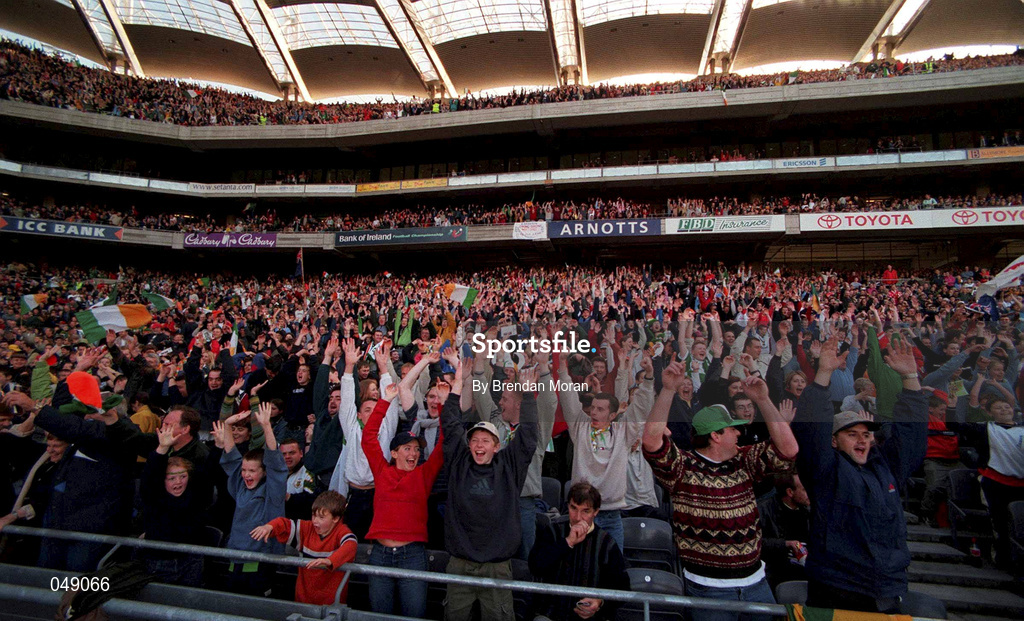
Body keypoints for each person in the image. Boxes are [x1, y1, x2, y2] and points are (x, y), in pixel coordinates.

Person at [642, 362, 798, 621]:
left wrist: (763, 399)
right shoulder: (683, 467)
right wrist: (668, 389)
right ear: (715, 435)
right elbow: (651, 441)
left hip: (757, 585)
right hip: (708, 591)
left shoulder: (744, 461)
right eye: (732, 428)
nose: (739, 432)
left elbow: (788, 450)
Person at [792, 336, 927, 613]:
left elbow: (911, 438)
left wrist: (911, 380)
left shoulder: (884, 468)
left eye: (866, 434)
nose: (861, 440)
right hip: (837, 587)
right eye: (851, 434)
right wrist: (823, 376)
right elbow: (811, 432)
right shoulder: (825, 471)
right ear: (833, 441)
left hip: (887, 588)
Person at [442, 353, 539, 621]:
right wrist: (457, 385)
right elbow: (450, 425)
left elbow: (528, 437)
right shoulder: (459, 463)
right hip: (460, 565)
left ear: (497, 446)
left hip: (497, 568)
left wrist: (529, 397)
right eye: (475, 440)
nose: (479, 445)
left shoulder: (509, 466)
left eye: (486, 440)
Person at [362, 381, 446, 618]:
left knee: (413, 615)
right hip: (379, 555)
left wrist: (440, 405)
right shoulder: (381, 470)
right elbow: (368, 437)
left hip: (413, 557)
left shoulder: (424, 474)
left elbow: (443, 443)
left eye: (417, 449)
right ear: (394, 453)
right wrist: (385, 401)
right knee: (380, 616)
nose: (414, 453)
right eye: (407, 448)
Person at [215, 401, 287, 596]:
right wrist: (228, 426)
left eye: (252, 471)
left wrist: (266, 426)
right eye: (245, 470)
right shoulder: (241, 487)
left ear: (264, 472)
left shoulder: (272, 492)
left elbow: (275, 461)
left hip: (260, 562)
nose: (246, 474)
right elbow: (231, 457)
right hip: (235, 557)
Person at [529, 482, 630, 621]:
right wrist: (567, 542)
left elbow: (622, 587)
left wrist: (600, 601)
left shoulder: (606, 543)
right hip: (551, 613)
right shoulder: (552, 532)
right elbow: (536, 566)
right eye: (573, 508)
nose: (577, 517)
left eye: (585, 511)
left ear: (595, 512)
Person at [250, 490, 358, 605]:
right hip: (303, 601)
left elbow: (351, 544)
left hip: (332, 605)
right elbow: (285, 524)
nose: (315, 521)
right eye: (313, 515)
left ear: (335, 518)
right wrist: (269, 527)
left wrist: (329, 561)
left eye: (321, 517)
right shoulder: (306, 529)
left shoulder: (342, 532)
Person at [139, 423, 212, 586]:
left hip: (191, 561)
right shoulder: (154, 498)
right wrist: (162, 448)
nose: (178, 482)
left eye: (182, 476)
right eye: (172, 478)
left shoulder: (195, 497)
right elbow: (150, 477)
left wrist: (220, 447)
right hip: (159, 562)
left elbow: (209, 475)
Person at [757, 474, 810, 588]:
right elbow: (755, 542)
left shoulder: (810, 510)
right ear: (790, 492)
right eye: (805, 489)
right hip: (776, 573)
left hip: (807, 570)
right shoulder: (763, 509)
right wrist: (785, 544)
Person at [281, 438, 315, 520]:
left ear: (301, 453)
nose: (287, 457)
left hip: (299, 524)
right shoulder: (276, 475)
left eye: (291, 453)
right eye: (283, 454)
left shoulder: (308, 473)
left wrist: (289, 497)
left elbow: (311, 502)